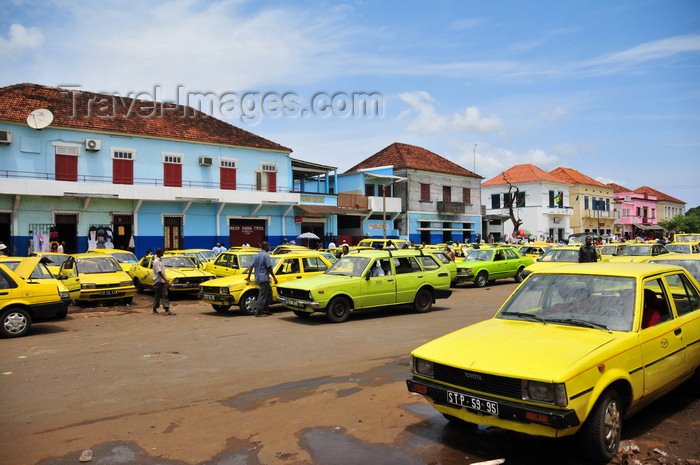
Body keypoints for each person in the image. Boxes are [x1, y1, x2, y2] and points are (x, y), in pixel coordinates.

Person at [245, 241, 278, 317]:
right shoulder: (266, 256)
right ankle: (258, 312)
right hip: (264, 278)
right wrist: (274, 277)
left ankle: (265, 310)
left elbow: (251, 267)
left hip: (258, 277)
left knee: (269, 293)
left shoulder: (257, 256)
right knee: (262, 295)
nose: (269, 247)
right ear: (265, 247)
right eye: (268, 246)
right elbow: (269, 267)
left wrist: (249, 276)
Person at [152, 248, 174, 315]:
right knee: (157, 296)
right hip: (158, 281)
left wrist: (165, 281)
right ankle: (154, 309)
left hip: (162, 281)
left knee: (165, 295)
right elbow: (159, 272)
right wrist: (166, 281)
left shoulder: (161, 260)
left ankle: (167, 309)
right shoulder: (156, 261)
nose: (163, 253)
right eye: (162, 252)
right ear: (159, 252)